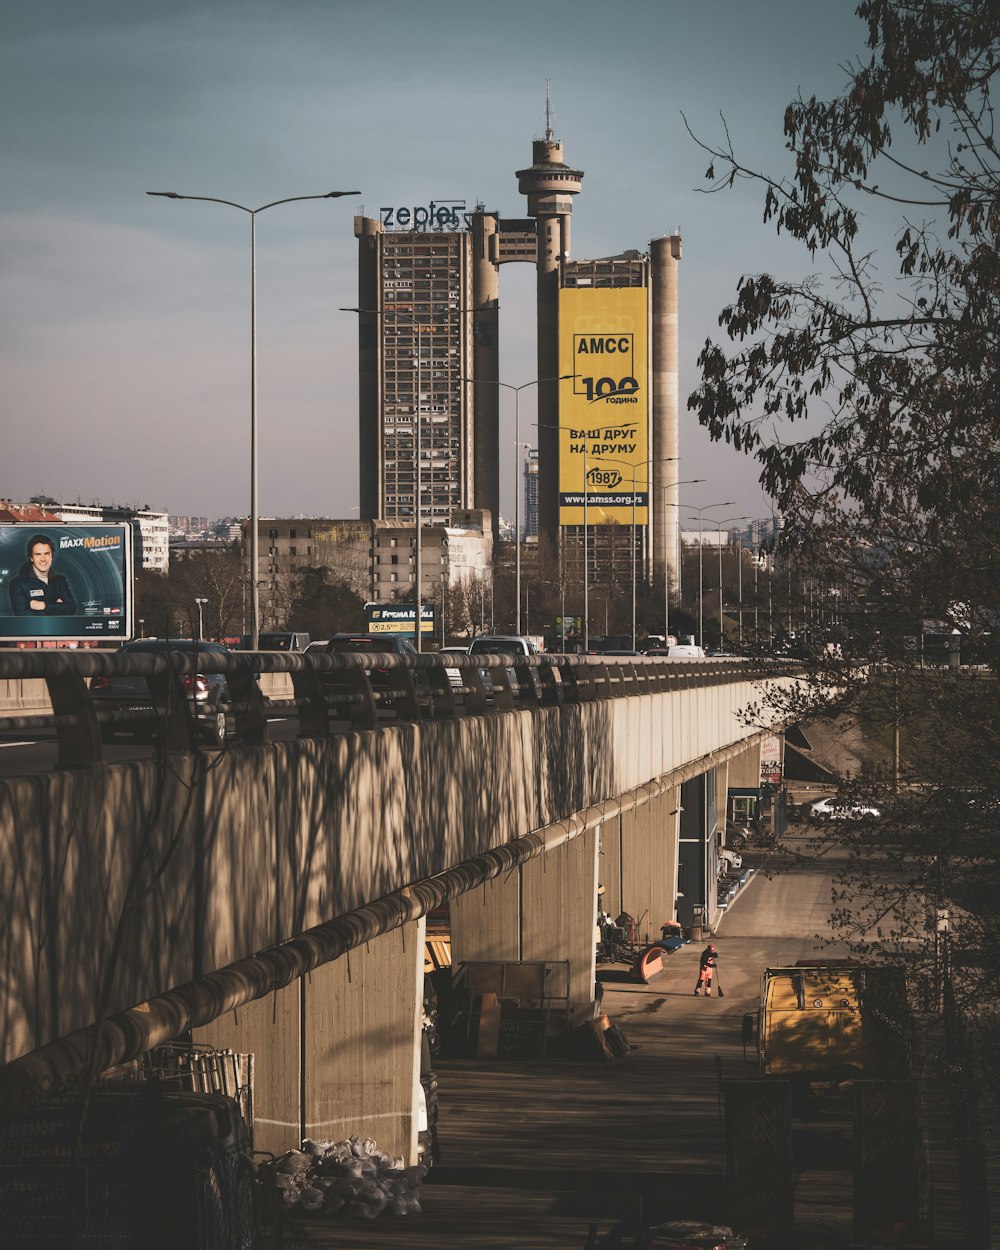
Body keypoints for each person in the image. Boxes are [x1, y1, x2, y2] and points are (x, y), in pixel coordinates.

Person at [7, 534, 76, 616]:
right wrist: (58, 607)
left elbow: (71, 608)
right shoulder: (18, 584)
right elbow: (24, 615)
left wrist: (43, 606)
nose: (43, 559)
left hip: (60, 628)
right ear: (31, 558)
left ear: (52, 556)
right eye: (38, 554)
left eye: (46, 554)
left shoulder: (60, 581)